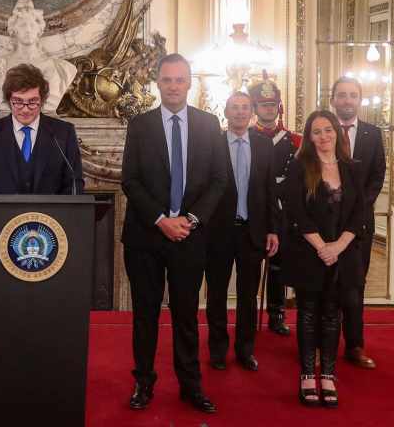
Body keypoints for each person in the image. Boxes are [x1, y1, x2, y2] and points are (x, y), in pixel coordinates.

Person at [121, 53, 227, 413]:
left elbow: (219, 180)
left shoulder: (210, 124)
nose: (173, 86)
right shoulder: (139, 125)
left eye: (180, 79)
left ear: (190, 82)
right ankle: (143, 384)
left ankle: (190, 386)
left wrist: (191, 219)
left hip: (190, 237)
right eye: (167, 79)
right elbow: (130, 181)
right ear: (158, 82)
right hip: (145, 237)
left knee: (185, 316)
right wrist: (161, 219)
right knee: (145, 315)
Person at [282, 110, 367, 408]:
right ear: (309, 137)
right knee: (307, 313)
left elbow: (360, 213)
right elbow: (295, 211)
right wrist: (322, 247)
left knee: (333, 313)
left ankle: (328, 375)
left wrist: (338, 246)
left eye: (328, 130)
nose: (323, 136)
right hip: (310, 252)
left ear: (336, 132)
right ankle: (307, 375)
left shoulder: (353, 168)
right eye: (316, 131)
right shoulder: (299, 167)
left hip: (343, 254)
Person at [205, 92, 279, 372]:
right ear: (226, 110)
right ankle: (217, 350)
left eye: (244, 108)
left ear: (252, 112)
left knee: (248, 296)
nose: (239, 112)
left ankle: (245, 350)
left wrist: (273, 229)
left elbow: (270, 189)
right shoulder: (213, 144)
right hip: (218, 232)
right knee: (216, 294)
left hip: (252, 232)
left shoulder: (264, 144)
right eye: (234, 107)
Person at [330, 76, 386, 369]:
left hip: (359, 225)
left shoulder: (373, 135)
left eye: (353, 95)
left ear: (359, 100)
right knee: (323, 289)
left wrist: (357, 209)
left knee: (354, 288)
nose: (347, 100)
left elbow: (378, 176)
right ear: (333, 100)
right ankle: (318, 346)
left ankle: (354, 344)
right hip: (326, 225)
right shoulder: (322, 131)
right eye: (342, 95)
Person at [0, 63, 83, 195]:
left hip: (50, 215)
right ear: (9, 100)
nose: (25, 109)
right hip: (1, 214)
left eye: (32, 102)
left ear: (42, 100)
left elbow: (74, 182)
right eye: (18, 102)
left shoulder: (63, 133)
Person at [249, 74, 302, 336]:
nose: (268, 109)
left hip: (281, 211)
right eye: (263, 104)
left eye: (272, 105)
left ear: (278, 107)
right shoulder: (245, 137)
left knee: (279, 264)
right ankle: (247, 315)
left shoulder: (294, 141)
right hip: (252, 210)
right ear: (255, 107)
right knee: (250, 264)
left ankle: (277, 312)